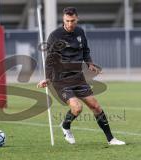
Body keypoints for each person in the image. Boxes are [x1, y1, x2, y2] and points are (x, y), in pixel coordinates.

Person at [37, 7, 125, 145]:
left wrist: (89, 63)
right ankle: (66, 126)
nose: (70, 24)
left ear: (77, 19)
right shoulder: (55, 35)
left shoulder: (80, 32)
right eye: (67, 21)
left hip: (78, 77)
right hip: (61, 79)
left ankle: (111, 139)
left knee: (96, 106)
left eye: (72, 21)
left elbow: (85, 50)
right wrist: (47, 78)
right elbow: (50, 60)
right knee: (77, 108)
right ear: (63, 19)